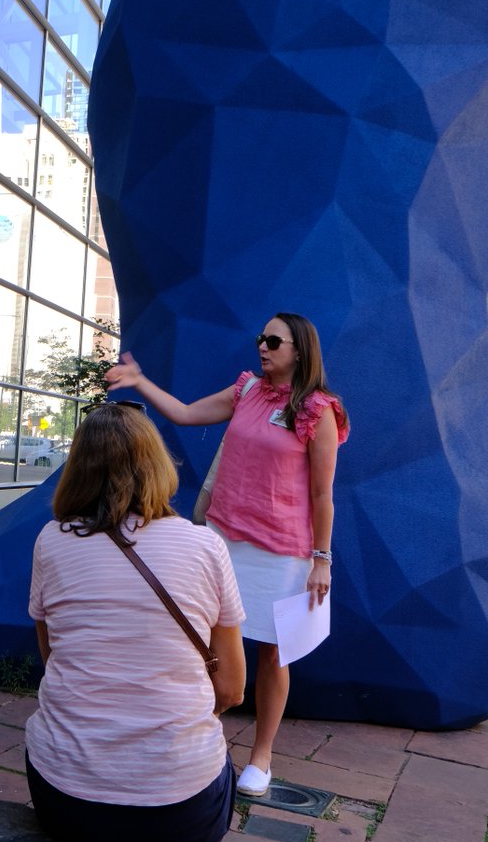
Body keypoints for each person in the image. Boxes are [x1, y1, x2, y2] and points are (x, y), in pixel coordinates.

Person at [105, 313, 350, 797]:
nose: (262, 346)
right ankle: (196, 737)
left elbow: (323, 495)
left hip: (284, 550)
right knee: (200, 643)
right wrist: (139, 381)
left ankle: (262, 757)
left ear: (300, 350)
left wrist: (321, 560)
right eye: (261, 338)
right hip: (221, 538)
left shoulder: (319, 411)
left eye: (273, 340)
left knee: (274, 655)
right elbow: (185, 413)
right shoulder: (246, 392)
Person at [25, 402, 246, 842]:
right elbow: (231, 687)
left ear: (78, 470)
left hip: (65, 802)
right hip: (181, 815)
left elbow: (54, 661)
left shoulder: (51, 541)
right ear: (158, 465)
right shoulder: (206, 546)